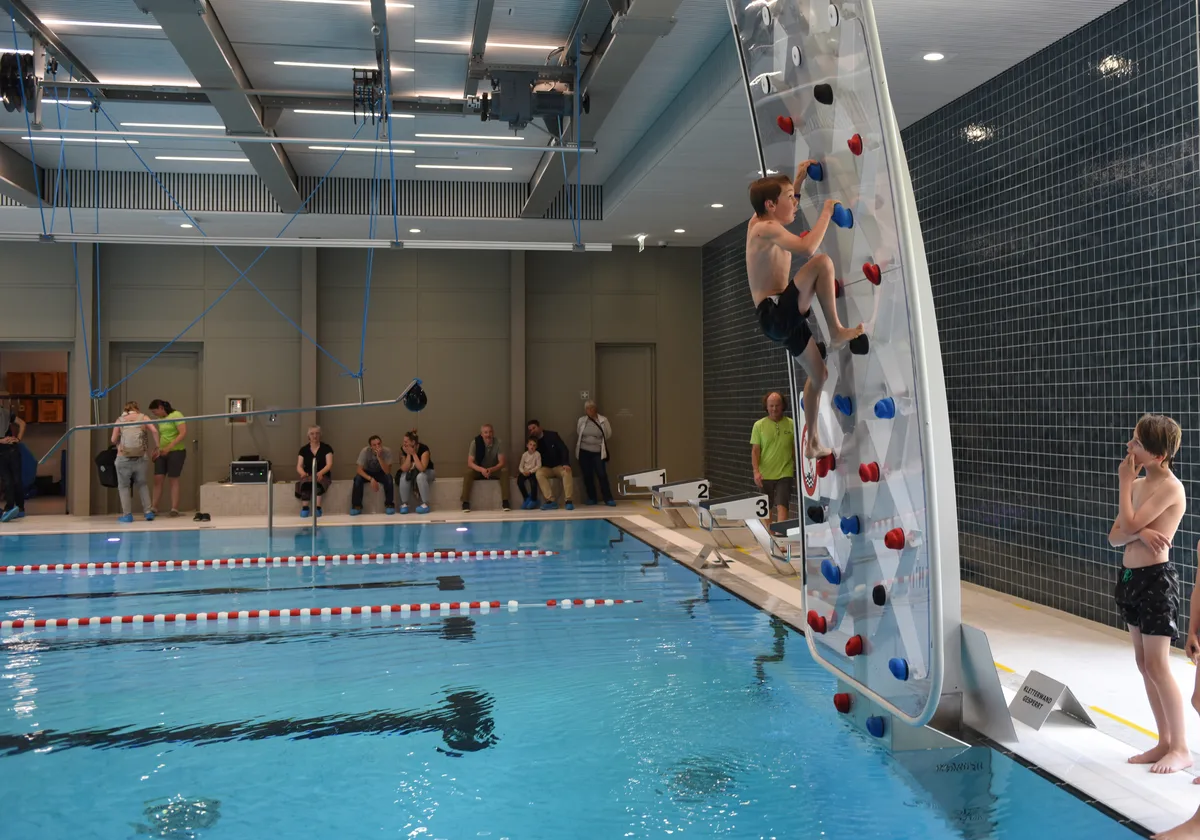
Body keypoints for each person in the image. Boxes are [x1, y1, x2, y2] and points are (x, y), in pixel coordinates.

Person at [746, 162, 864, 460]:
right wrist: (826, 211)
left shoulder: (760, 220)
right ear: (771, 205)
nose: (795, 203)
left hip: (780, 318)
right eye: (790, 197)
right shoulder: (765, 229)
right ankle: (836, 332)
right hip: (776, 312)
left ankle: (811, 442)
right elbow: (808, 247)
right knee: (822, 262)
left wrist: (797, 182)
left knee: (820, 374)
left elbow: (781, 208)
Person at [1107, 414, 1189, 775]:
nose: (1129, 446)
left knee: (1158, 664)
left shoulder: (1169, 487)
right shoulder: (1140, 484)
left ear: (1157, 455)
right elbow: (1116, 536)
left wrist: (1124, 485)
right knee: (1143, 664)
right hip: (1130, 577)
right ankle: (1163, 741)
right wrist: (1139, 534)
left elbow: (1126, 524)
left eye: (1137, 442)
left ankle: (1181, 747)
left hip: (1157, 580)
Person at [110, 401, 160, 523]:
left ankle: (127, 515)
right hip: (141, 457)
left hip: (123, 458)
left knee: (124, 486)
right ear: (137, 408)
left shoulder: (120, 420)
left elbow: (113, 439)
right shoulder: (143, 417)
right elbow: (154, 431)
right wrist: (157, 446)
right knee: (142, 484)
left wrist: (118, 445)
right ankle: (148, 512)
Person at [751, 391, 795, 523]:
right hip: (766, 473)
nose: (774, 409)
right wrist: (756, 471)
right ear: (766, 406)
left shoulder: (791, 424)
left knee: (783, 505)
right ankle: (770, 537)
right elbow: (755, 450)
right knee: (766, 508)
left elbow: (794, 448)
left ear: (783, 406)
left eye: (777, 405)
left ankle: (781, 539)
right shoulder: (759, 426)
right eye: (771, 406)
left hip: (785, 472)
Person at [148, 398, 187, 517]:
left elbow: (183, 433)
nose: (154, 414)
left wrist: (169, 447)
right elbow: (162, 435)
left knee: (173, 479)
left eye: (155, 411)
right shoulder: (160, 420)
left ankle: (174, 508)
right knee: (158, 479)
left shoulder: (177, 415)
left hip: (176, 451)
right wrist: (158, 448)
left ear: (161, 408)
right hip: (162, 452)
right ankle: (154, 507)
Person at [461, 423, 510, 513]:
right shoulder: (475, 443)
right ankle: (465, 502)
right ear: (482, 434)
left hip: (493, 470)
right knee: (468, 472)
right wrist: (482, 470)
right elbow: (470, 463)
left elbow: (502, 462)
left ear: (493, 433)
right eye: (486, 432)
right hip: (479, 470)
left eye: (490, 432)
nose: (488, 435)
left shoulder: (498, 443)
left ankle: (505, 501)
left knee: (504, 471)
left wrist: (491, 469)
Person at [527, 419, 573, 510]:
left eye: (534, 428)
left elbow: (564, 449)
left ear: (539, 427)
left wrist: (565, 463)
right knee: (539, 473)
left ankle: (569, 500)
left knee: (567, 472)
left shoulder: (552, 435)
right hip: (546, 468)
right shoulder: (533, 442)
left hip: (558, 466)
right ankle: (550, 501)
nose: (533, 431)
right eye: (530, 430)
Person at [576, 400, 615, 507]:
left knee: (602, 474)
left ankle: (608, 498)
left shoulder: (603, 420)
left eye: (592, 408)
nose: (590, 410)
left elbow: (608, 434)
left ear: (595, 409)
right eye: (588, 408)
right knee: (587, 475)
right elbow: (579, 432)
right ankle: (592, 497)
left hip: (598, 452)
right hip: (584, 451)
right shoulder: (582, 420)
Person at [351, 434, 395, 516]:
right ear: (370, 446)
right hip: (368, 472)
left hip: (381, 472)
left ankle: (389, 504)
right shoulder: (365, 451)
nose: (377, 446)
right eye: (374, 445)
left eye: (379, 444)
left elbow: (387, 471)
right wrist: (371, 479)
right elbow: (359, 470)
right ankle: (356, 506)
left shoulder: (387, 451)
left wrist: (379, 457)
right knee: (357, 479)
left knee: (389, 478)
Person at [296, 425, 333, 518]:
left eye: (317, 433)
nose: (315, 436)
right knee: (305, 484)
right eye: (312, 434)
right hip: (308, 474)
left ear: (320, 435)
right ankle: (305, 508)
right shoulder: (303, 450)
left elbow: (329, 464)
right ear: (308, 436)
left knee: (318, 484)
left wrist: (320, 473)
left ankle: (318, 508)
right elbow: (299, 466)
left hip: (322, 475)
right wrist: (302, 473)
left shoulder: (326, 448)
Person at [397, 429, 435, 514]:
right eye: (404, 441)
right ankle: (404, 504)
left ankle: (425, 504)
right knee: (403, 476)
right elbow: (404, 468)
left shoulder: (424, 449)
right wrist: (408, 454)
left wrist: (414, 454)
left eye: (406, 442)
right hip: (412, 472)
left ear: (413, 442)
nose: (404, 444)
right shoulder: (403, 450)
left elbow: (422, 468)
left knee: (420, 476)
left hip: (428, 472)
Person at [0, 407, 26, 522]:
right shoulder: (5, 413)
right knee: (9, 481)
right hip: (4, 451)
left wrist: (18, 439)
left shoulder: (6, 413)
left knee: (14, 481)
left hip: (11, 450)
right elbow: (22, 423)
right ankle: (11, 508)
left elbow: (22, 423)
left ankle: (17, 508)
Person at [517, 436, 541, 510]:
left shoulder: (537, 454)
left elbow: (538, 465)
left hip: (532, 472)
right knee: (519, 482)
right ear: (527, 445)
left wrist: (530, 471)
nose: (532, 447)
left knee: (533, 483)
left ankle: (534, 499)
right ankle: (526, 497)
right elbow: (520, 466)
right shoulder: (524, 455)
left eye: (534, 445)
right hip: (525, 472)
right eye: (530, 444)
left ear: (536, 447)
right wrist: (523, 472)